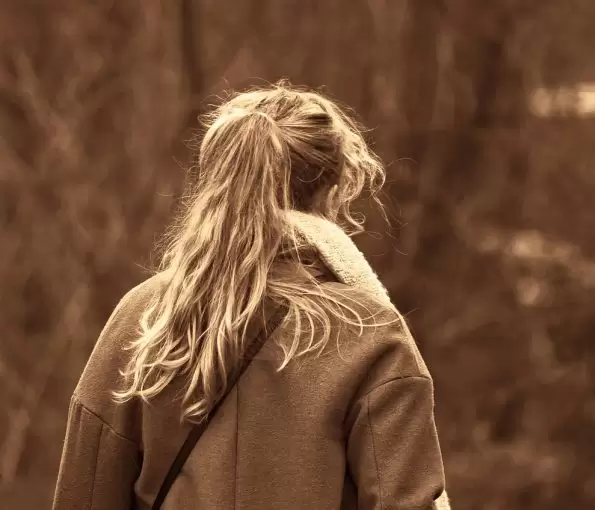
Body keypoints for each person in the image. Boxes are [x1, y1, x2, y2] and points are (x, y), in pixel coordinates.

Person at [51, 82, 451, 509]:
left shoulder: (143, 317)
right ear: (332, 189)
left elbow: (84, 496)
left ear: (217, 178)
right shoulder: (368, 331)